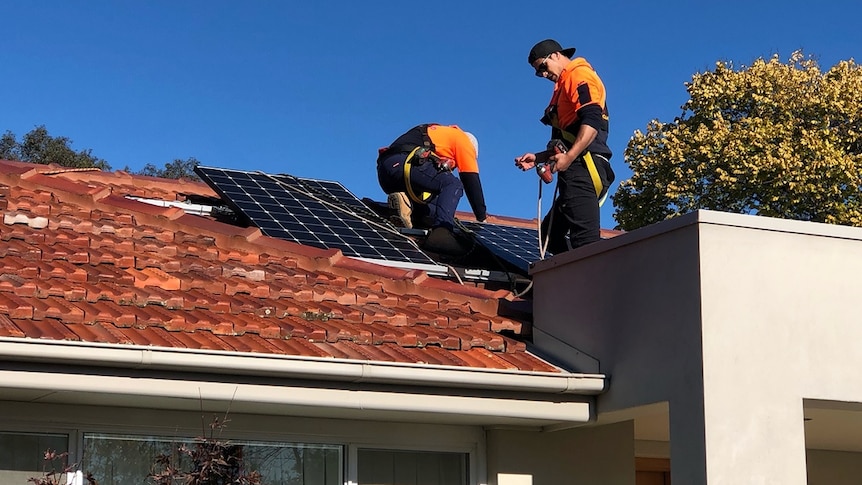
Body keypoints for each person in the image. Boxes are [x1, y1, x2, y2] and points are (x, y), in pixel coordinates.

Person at [514, 39, 615, 252]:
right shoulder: (563, 86)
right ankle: (572, 279)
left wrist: (569, 157)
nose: (542, 74)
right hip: (577, 167)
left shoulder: (578, 75)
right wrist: (539, 158)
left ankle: (591, 282)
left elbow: (592, 121)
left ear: (557, 55)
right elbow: (568, 138)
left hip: (584, 168)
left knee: (586, 245)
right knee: (549, 236)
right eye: (537, 72)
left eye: (543, 67)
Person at [377, 124, 487, 254]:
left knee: (435, 209)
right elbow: (470, 179)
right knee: (452, 185)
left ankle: (406, 208)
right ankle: (442, 234)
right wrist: (481, 217)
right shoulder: (462, 139)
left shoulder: (437, 135)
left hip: (387, 173)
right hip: (405, 163)